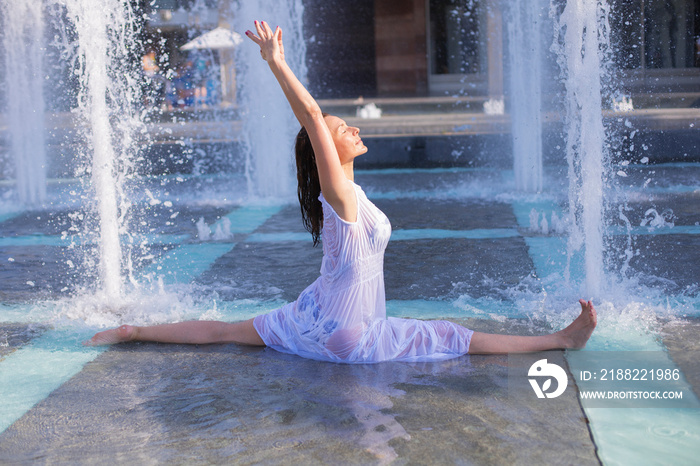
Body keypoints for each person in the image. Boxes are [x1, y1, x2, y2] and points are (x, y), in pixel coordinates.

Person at [86, 21, 597, 362]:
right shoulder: (341, 197)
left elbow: (319, 129)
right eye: (342, 129)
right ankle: (560, 340)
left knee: (226, 330)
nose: (352, 130)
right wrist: (275, 63)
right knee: (450, 336)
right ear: (326, 152)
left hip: (316, 315)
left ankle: (134, 333)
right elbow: (311, 117)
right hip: (351, 334)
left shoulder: (350, 195)